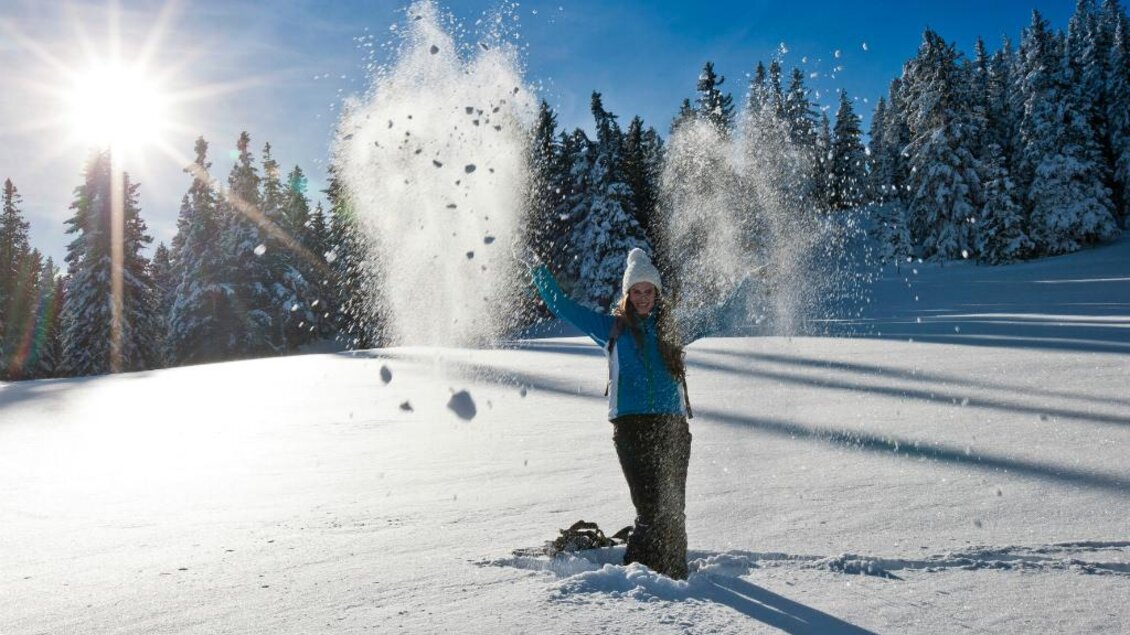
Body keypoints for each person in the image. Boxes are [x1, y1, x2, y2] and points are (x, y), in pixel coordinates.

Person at [529, 248, 693, 580]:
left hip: (672, 426)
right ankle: (639, 575)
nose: (644, 298)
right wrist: (539, 272)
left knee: (674, 510)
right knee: (649, 508)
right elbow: (564, 307)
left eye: (649, 292)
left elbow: (719, 315)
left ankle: (675, 575)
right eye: (637, 292)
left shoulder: (673, 329)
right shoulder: (612, 329)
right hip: (630, 427)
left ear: (657, 294)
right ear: (628, 294)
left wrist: (752, 284)